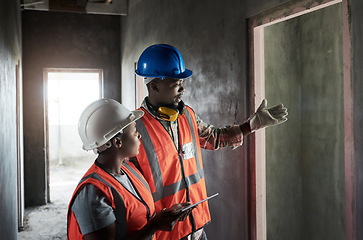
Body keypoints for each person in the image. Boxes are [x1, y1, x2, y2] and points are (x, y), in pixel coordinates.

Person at [131, 44, 288, 240]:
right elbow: (129, 190)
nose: (183, 88)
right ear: (154, 86)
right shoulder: (134, 129)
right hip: (166, 235)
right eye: (176, 83)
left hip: (197, 229)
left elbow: (214, 138)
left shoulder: (187, 115)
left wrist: (252, 125)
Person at [67, 98, 194, 240]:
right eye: (134, 131)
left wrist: (164, 217)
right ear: (117, 142)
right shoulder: (93, 194)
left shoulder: (129, 170)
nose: (138, 135)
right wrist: (154, 225)